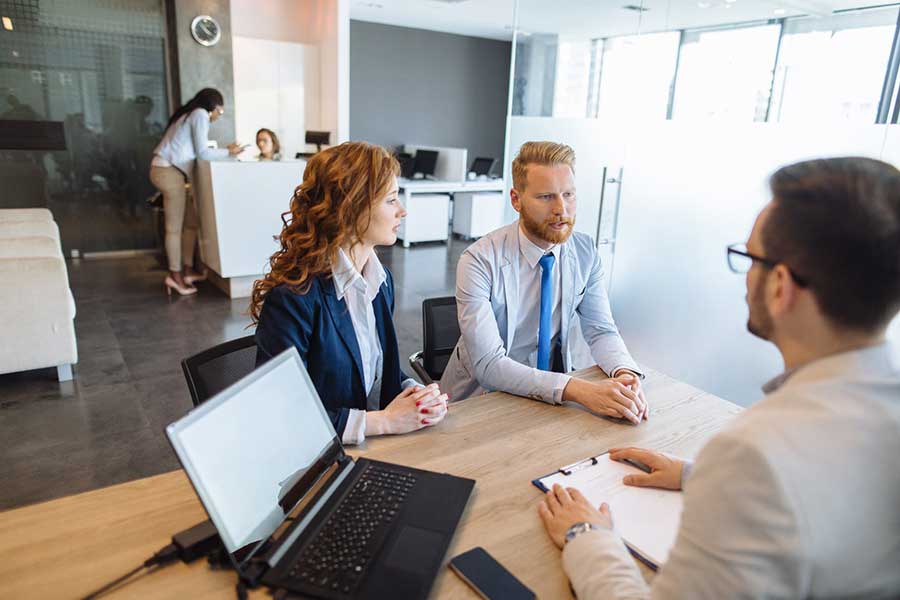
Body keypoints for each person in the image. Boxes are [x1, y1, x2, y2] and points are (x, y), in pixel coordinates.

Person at [538, 157, 900, 599]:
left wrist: (586, 536)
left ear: (780, 285)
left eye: (748, 258)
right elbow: (836, 497)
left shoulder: (755, 453)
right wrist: (699, 477)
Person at [251, 141, 449, 444]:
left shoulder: (381, 281)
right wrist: (385, 421)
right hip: (320, 457)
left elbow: (375, 369)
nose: (402, 211)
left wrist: (415, 394)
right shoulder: (294, 298)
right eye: (391, 200)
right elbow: (282, 414)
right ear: (351, 208)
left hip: (371, 447)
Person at [440, 141, 648, 424]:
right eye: (546, 197)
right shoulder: (478, 260)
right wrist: (578, 390)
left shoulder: (585, 252)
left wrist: (625, 373)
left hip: (553, 398)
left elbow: (601, 330)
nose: (561, 209)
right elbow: (489, 365)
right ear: (516, 200)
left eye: (568, 194)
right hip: (482, 402)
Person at [149, 88, 242, 296]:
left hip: (168, 170)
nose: (219, 116)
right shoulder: (200, 114)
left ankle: (188, 269)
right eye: (220, 111)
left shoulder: (190, 114)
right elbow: (202, 152)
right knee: (174, 228)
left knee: (191, 222)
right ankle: (175, 277)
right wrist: (229, 152)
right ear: (214, 107)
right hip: (168, 171)